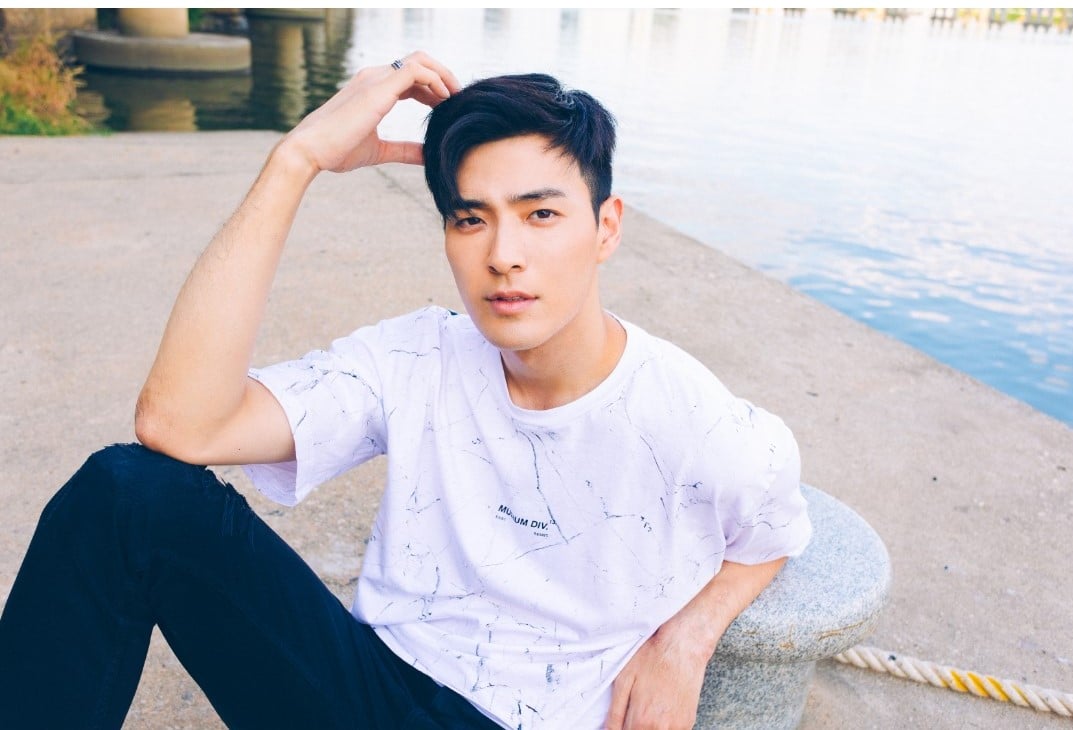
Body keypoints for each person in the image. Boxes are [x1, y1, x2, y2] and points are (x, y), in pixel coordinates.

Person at [0, 52, 811, 729]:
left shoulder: (700, 426)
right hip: (361, 686)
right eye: (470, 219)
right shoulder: (419, 355)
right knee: (127, 492)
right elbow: (180, 425)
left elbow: (775, 528)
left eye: (539, 215)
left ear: (606, 227)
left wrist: (687, 638)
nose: (503, 254)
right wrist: (295, 161)